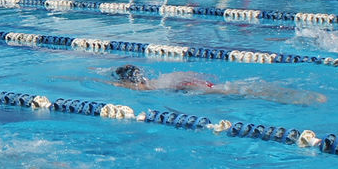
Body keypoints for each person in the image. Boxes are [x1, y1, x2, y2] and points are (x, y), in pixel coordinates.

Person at [109, 65, 324, 105]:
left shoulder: (150, 87)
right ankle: (294, 94)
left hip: (194, 87)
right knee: (243, 88)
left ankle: (298, 98)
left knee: (247, 93)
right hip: (196, 83)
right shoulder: (160, 77)